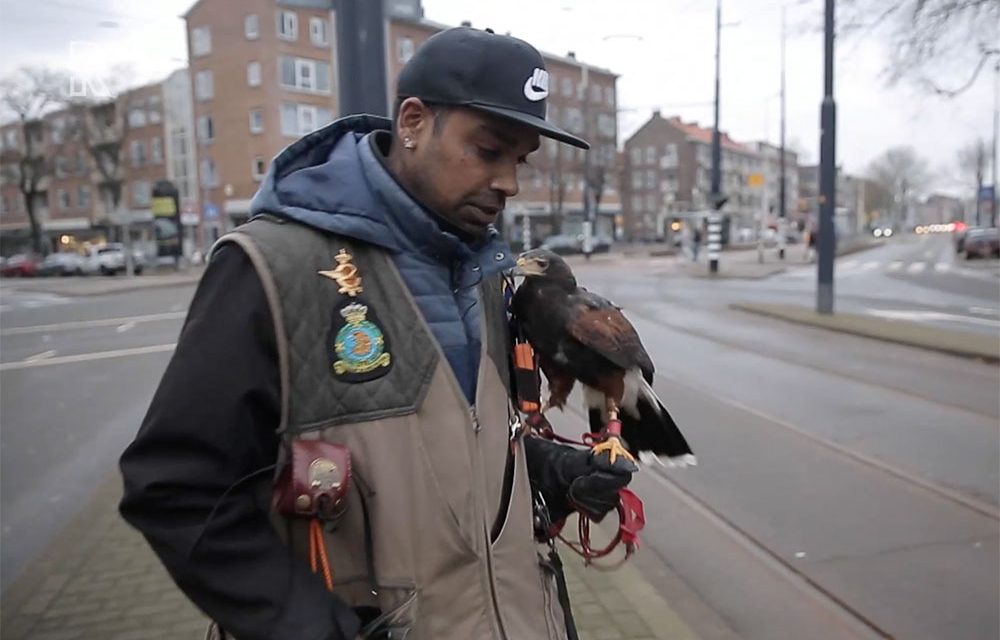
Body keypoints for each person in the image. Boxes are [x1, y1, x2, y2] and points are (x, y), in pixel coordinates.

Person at [118, 27, 635, 640]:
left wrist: (545, 469)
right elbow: (177, 488)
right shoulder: (269, 265)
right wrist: (308, 625)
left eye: (518, 161)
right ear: (414, 122)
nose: (509, 183)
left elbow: (449, 440)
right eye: (489, 150)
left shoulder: (487, 273)